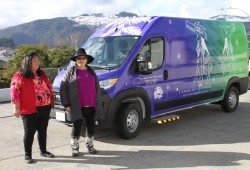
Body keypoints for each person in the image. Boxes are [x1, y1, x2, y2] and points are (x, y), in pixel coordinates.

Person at [10, 52, 55, 164]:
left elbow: (48, 86)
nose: (37, 62)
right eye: (34, 60)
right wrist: (16, 107)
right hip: (30, 108)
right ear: (28, 62)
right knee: (29, 133)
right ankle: (27, 155)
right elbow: (15, 91)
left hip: (45, 106)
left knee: (42, 131)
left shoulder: (41, 74)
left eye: (37, 60)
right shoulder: (20, 75)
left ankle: (43, 151)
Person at [60, 48, 103, 157]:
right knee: (77, 125)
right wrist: (66, 104)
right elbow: (63, 88)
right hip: (77, 104)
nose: (81, 60)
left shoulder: (91, 71)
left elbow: (97, 87)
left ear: (87, 59)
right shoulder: (71, 72)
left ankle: (90, 145)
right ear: (76, 60)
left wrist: (98, 102)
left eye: (83, 58)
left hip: (91, 104)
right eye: (79, 58)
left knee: (91, 124)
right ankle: (75, 147)